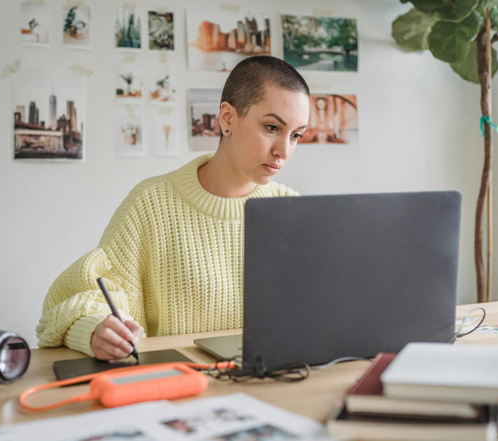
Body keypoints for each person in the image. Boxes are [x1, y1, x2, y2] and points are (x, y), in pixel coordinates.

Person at [36, 55, 311, 360]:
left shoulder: (291, 210)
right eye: (272, 127)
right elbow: (73, 300)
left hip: (273, 388)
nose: (284, 151)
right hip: (179, 392)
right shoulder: (152, 204)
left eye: (296, 135)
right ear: (228, 118)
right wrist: (94, 330)